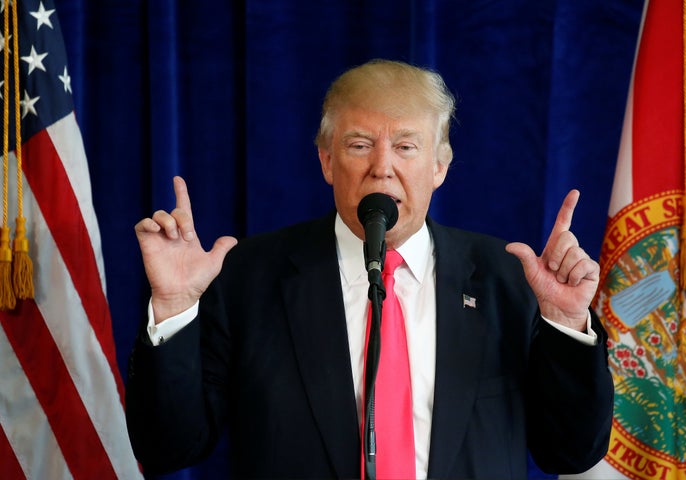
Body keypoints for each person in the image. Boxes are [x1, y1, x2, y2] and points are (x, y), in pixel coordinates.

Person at [126, 59, 614, 479]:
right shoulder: (248, 278)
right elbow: (170, 448)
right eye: (360, 144)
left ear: (440, 167)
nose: (382, 167)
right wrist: (174, 306)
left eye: (406, 146)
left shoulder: (510, 281)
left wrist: (567, 325)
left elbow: (570, 451)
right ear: (326, 161)